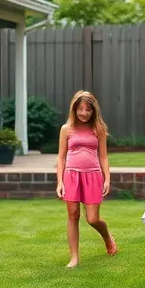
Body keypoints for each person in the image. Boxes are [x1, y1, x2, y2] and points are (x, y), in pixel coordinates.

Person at [56, 90, 117, 268]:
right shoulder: (66, 129)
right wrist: (60, 181)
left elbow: (104, 156)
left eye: (88, 110)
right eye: (80, 109)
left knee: (92, 219)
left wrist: (107, 179)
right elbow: (61, 157)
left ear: (93, 111)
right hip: (71, 175)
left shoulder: (99, 129)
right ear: (74, 109)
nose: (84, 113)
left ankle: (107, 236)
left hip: (93, 176)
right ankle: (74, 257)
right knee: (73, 215)